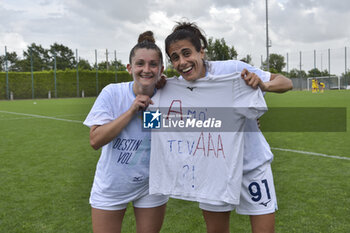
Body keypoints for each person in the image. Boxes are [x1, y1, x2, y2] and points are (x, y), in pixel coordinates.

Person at [163, 21, 292, 233]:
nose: (182, 62)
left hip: (252, 165)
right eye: (175, 57)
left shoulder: (232, 70)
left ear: (201, 52)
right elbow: (155, 121)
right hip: (212, 172)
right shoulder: (174, 88)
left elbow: (286, 82)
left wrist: (263, 85)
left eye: (187, 53)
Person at [83, 31, 168, 233]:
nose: (146, 69)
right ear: (129, 68)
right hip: (112, 185)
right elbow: (95, 141)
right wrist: (131, 111)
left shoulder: (168, 94)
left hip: (151, 186)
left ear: (161, 70)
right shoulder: (112, 93)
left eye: (153, 65)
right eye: (140, 64)